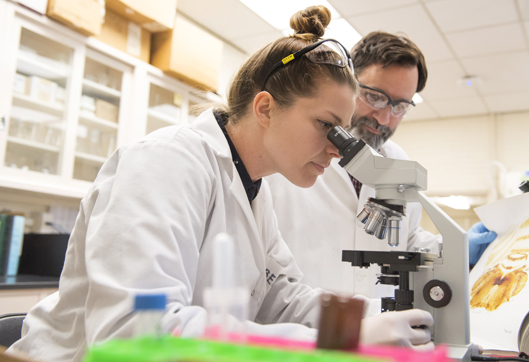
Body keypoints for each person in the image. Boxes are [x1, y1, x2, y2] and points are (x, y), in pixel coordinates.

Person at [8, 7, 435, 362]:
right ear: (265, 107)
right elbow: (132, 335)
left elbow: (280, 296)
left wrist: (368, 321)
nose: (338, 149)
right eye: (326, 126)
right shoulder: (165, 163)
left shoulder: (254, 188)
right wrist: (342, 341)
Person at [266, 31, 497, 298]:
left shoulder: (397, 161)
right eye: (375, 97)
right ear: (347, 81)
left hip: (378, 327)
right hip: (296, 327)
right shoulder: (291, 153)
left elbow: (407, 241)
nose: (385, 118)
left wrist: (457, 247)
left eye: (400, 107)